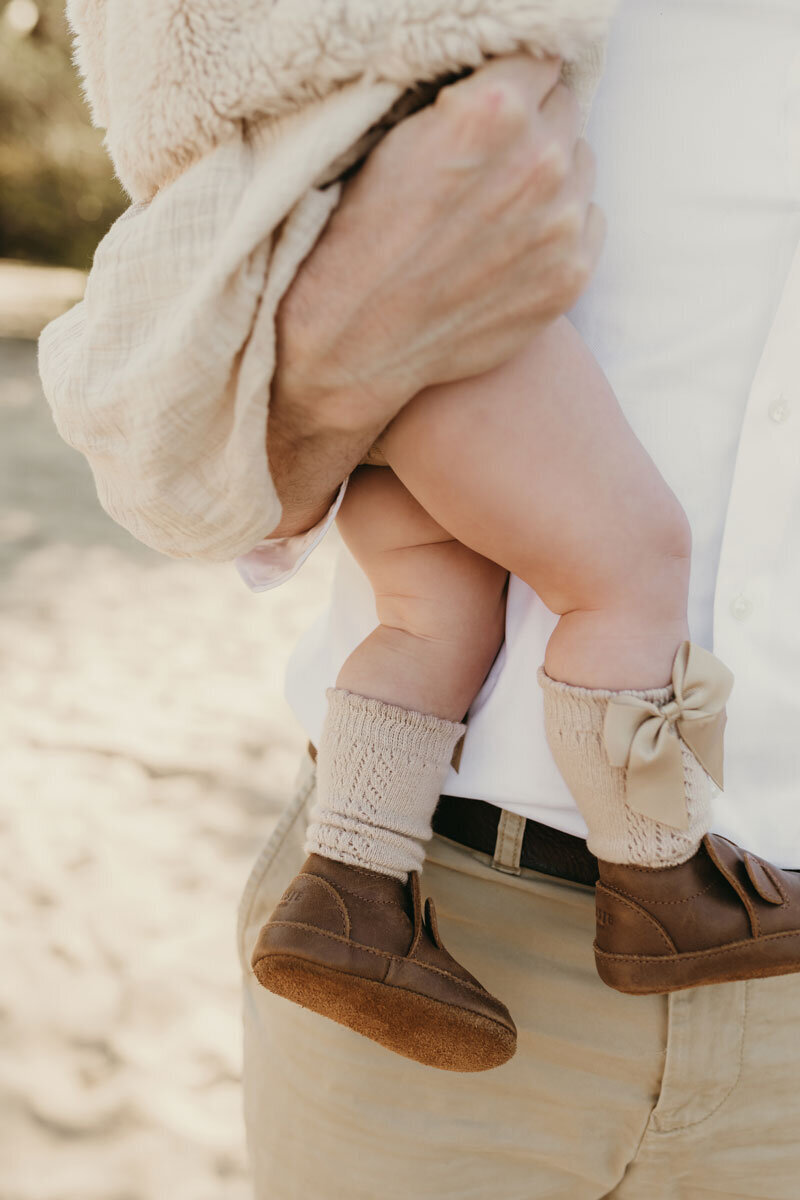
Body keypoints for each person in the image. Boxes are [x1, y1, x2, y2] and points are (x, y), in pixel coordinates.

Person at [39, 2, 800, 1196]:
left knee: (431, 619)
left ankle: (352, 887)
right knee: (628, 566)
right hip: (465, 345)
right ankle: (663, 879)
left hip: (416, 382)